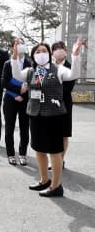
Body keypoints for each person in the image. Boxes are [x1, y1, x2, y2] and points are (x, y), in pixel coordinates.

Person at [11, 39, 82, 197]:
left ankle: (56, 185)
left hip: (54, 116)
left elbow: (73, 74)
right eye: (37, 52)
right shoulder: (31, 71)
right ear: (33, 56)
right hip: (36, 115)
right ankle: (44, 180)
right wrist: (14, 57)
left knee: (54, 151)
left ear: (49, 54)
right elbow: (16, 74)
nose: (41, 54)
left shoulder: (59, 69)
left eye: (44, 51)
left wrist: (76, 56)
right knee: (39, 149)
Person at [1, 39, 31, 166]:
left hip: (25, 100)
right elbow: (4, 82)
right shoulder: (8, 63)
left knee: (25, 128)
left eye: (22, 43)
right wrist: (17, 92)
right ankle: (11, 154)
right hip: (10, 99)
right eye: (17, 44)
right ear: (13, 46)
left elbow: (33, 80)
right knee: (9, 127)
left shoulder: (30, 63)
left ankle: (23, 154)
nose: (19, 46)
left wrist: (25, 89)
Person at [50, 41, 75, 170]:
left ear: (65, 50)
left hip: (64, 104)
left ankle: (61, 159)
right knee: (52, 133)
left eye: (61, 48)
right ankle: (53, 160)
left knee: (64, 134)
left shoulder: (70, 66)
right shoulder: (49, 66)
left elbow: (67, 88)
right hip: (49, 105)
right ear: (52, 52)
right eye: (56, 49)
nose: (59, 51)